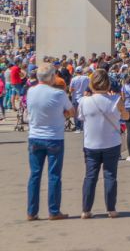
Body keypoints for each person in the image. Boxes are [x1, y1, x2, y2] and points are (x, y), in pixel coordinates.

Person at [25, 62, 75, 221]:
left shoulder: (30, 91)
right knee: (54, 175)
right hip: (54, 137)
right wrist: (63, 114)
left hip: (35, 136)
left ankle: (31, 212)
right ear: (52, 77)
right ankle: (54, 211)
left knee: (35, 175)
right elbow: (71, 112)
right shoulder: (58, 94)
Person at [77, 69, 128, 219]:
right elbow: (126, 115)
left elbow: (80, 118)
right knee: (110, 175)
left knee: (90, 177)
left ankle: (86, 210)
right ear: (108, 84)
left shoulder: (83, 101)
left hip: (91, 143)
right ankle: (111, 209)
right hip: (111, 142)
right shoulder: (116, 100)